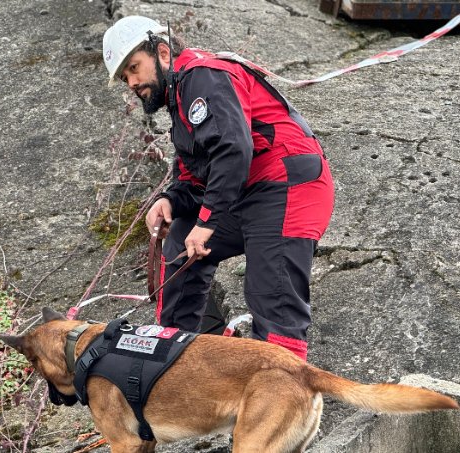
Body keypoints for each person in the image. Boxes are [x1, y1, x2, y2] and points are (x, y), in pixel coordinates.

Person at [102, 16, 334, 360]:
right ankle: (174, 360)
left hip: (288, 186)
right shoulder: (181, 102)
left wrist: (207, 222)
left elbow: (233, 150)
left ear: (162, 52)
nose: (132, 83)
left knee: (272, 301)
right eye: (125, 78)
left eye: (134, 68)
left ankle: (279, 402)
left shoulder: (203, 76)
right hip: (250, 194)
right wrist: (170, 199)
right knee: (180, 239)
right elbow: (195, 177)